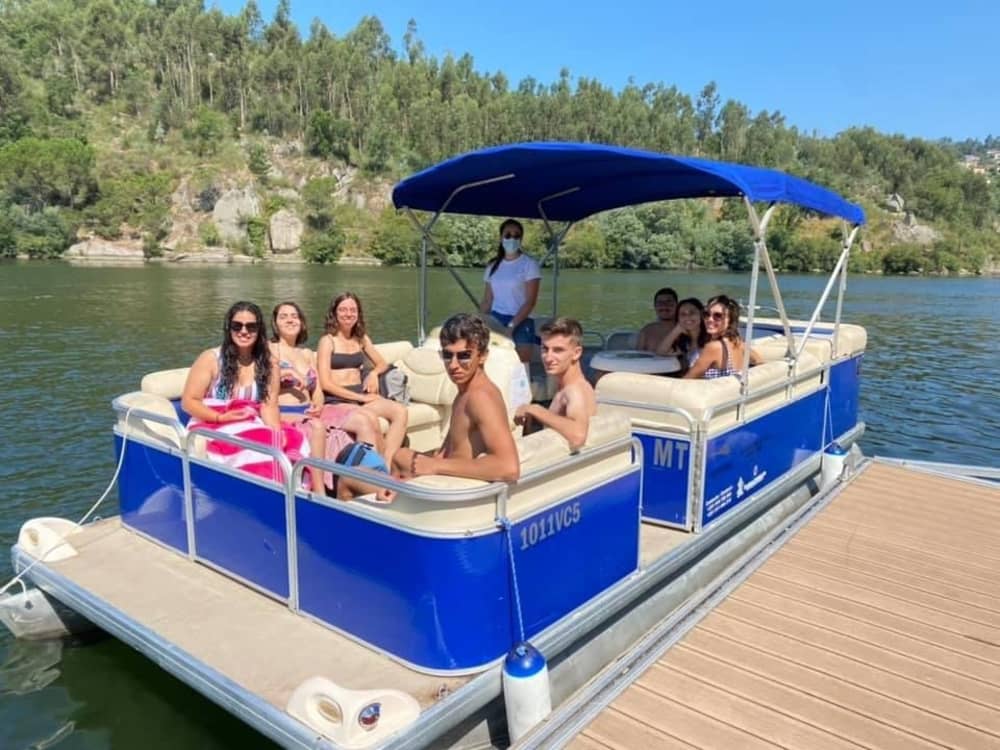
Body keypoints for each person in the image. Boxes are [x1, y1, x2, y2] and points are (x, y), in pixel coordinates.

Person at [181, 301, 309, 484]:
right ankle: (266, 490)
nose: (244, 331)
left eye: (251, 326)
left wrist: (277, 434)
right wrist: (221, 418)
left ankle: (291, 490)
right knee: (262, 441)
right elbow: (189, 401)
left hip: (250, 421)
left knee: (292, 439)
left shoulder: (269, 364)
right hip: (212, 421)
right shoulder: (211, 359)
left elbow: (269, 405)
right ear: (229, 328)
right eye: (237, 326)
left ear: (259, 330)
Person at [393, 314, 520, 483]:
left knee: (351, 482)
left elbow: (509, 468)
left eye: (464, 356)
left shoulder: (480, 398)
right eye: (447, 355)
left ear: (482, 356)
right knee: (399, 456)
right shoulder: (465, 391)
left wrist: (435, 466)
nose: (453, 365)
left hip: (454, 486)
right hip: (447, 475)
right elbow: (448, 450)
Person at [269, 300, 383, 454]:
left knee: (367, 420)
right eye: (283, 317)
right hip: (285, 411)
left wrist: (318, 405)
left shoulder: (307, 354)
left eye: (294, 316)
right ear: (275, 324)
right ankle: (366, 474)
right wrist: (286, 372)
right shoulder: (269, 349)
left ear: (301, 323)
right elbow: (265, 381)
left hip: (312, 411)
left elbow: (317, 390)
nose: (290, 320)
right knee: (362, 422)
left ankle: (379, 473)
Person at [317, 292, 408, 468]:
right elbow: (326, 382)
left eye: (353, 310)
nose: (348, 314)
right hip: (338, 400)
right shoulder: (327, 341)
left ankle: (387, 464)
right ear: (334, 313)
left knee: (400, 411)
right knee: (370, 418)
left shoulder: (361, 339)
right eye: (343, 310)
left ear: (358, 313)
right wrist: (362, 398)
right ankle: (375, 470)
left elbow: (381, 363)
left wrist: (373, 374)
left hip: (360, 397)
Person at [514, 317, 597, 450]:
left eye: (558, 350)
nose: (548, 358)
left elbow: (578, 435)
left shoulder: (574, 391)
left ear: (576, 353)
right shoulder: (570, 387)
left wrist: (535, 409)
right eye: (545, 349)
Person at [479, 218, 541, 363]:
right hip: (495, 319)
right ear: (501, 238)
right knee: (493, 365)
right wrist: (476, 321)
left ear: (521, 239)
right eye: (507, 235)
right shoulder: (492, 266)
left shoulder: (529, 264)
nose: (512, 238)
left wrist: (511, 327)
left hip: (522, 321)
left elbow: (530, 302)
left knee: (521, 368)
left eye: (516, 235)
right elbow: (488, 301)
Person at [684, 294, 761, 379]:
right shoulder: (737, 342)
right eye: (706, 314)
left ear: (730, 320)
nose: (710, 319)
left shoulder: (713, 347)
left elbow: (687, 380)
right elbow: (759, 362)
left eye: (718, 316)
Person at [655, 297, 708, 372]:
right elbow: (660, 353)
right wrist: (677, 330)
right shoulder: (684, 343)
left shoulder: (709, 340)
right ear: (678, 318)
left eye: (692, 312)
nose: (687, 316)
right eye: (683, 314)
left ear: (701, 315)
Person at [637, 287, 679, 352]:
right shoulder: (646, 331)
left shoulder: (687, 330)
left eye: (669, 302)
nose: (664, 306)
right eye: (660, 303)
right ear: (655, 306)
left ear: (677, 305)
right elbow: (638, 358)